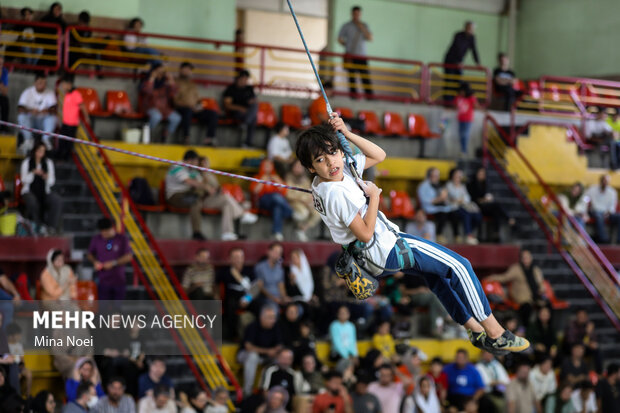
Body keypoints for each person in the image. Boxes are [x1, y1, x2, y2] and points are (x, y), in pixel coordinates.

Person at [296, 115, 529, 355]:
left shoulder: (330, 179)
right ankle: (495, 332)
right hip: (385, 248)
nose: (331, 162)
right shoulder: (335, 193)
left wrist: (346, 133)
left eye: (333, 153)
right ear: (312, 167)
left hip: (378, 254)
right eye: (321, 160)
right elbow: (365, 234)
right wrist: (374, 196)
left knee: (436, 277)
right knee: (460, 266)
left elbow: (379, 155)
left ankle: (474, 329)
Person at [198, 156, 257, 241]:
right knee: (226, 197)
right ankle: (242, 214)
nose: (205, 165)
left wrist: (219, 190)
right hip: (205, 200)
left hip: (215, 198)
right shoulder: (199, 175)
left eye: (206, 162)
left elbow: (216, 188)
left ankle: (227, 233)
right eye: (203, 163)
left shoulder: (211, 174)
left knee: (227, 206)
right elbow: (205, 190)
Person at [486, 248, 546, 325]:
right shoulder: (516, 269)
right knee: (527, 308)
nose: (526, 260)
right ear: (521, 259)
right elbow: (504, 277)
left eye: (528, 257)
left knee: (547, 306)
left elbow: (541, 282)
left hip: (535, 297)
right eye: (524, 258)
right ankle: (525, 328)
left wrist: (542, 288)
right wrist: (492, 277)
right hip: (522, 298)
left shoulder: (535, 270)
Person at [237, 304, 283, 396]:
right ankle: (247, 391)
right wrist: (268, 351)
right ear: (262, 317)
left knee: (281, 358)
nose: (273, 320)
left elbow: (280, 344)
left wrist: (275, 351)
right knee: (253, 356)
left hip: (265, 357)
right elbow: (248, 347)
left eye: (274, 317)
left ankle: (270, 391)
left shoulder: (275, 327)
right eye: (270, 318)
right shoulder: (253, 326)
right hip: (244, 355)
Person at [20, 141, 62, 234]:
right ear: (34, 151)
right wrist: (33, 173)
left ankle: (51, 227)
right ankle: (37, 226)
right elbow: (23, 180)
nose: (41, 153)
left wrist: (46, 177)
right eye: (39, 151)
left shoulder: (48, 163)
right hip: (29, 191)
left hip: (45, 191)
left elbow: (52, 182)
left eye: (43, 151)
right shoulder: (27, 162)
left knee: (56, 200)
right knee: (32, 201)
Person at [165, 150, 208, 240]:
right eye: (196, 161)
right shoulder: (177, 166)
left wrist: (204, 170)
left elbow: (201, 182)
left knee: (201, 193)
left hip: (187, 193)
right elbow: (189, 181)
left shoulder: (192, 168)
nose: (197, 163)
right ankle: (196, 232)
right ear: (189, 160)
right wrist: (206, 187)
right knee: (195, 202)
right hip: (175, 196)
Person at [87, 217, 132, 300]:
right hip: (103, 281)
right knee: (103, 310)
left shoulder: (122, 239)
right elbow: (89, 254)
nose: (105, 235)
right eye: (103, 232)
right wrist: (95, 262)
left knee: (116, 311)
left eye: (107, 232)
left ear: (112, 228)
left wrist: (114, 263)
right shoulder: (97, 239)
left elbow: (128, 256)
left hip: (118, 280)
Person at [174, 61, 218, 145]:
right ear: (180, 70)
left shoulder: (192, 84)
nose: (187, 71)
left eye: (189, 70)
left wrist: (199, 107)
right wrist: (190, 106)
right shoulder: (175, 82)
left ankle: (209, 139)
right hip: (182, 109)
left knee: (213, 114)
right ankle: (186, 138)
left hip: (193, 109)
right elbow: (175, 101)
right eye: (185, 69)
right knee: (187, 112)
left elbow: (199, 100)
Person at [217, 247, 257, 340]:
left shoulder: (249, 271)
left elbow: (255, 288)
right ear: (230, 259)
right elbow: (216, 285)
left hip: (247, 298)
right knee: (230, 307)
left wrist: (247, 299)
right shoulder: (224, 271)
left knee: (260, 306)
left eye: (240, 257)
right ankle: (233, 336)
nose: (238, 259)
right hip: (231, 299)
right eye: (235, 257)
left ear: (243, 258)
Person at [468, 167, 516, 241]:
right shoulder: (471, 184)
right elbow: (473, 199)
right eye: (480, 173)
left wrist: (488, 199)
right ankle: (508, 219)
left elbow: (487, 195)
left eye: (483, 174)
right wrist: (484, 200)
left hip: (486, 206)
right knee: (496, 205)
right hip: (476, 206)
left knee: (496, 212)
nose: (482, 175)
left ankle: (496, 234)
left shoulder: (485, 184)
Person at [250, 160, 293, 241]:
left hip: (275, 202)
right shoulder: (257, 177)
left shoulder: (275, 177)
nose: (267, 168)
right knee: (276, 196)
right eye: (265, 166)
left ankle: (277, 233)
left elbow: (285, 191)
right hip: (262, 201)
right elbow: (255, 192)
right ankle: (290, 211)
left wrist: (278, 181)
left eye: (269, 166)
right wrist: (262, 181)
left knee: (277, 208)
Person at [17, 72, 57, 154]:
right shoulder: (28, 92)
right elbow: (20, 108)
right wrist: (30, 111)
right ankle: (28, 140)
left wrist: (46, 110)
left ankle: (45, 140)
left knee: (53, 118)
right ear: (35, 83)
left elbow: (54, 109)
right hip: (31, 120)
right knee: (21, 117)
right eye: (40, 83)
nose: (42, 85)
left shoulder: (50, 92)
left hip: (43, 121)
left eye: (44, 83)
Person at [338, 6, 373, 99]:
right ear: (352, 14)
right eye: (355, 14)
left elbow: (370, 38)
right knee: (351, 77)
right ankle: (353, 96)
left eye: (358, 14)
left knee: (365, 77)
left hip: (362, 56)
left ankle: (370, 97)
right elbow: (339, 38)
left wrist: (362, 28)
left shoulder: (364, 25)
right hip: (351, 55)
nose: (356, 16)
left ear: (360, 14)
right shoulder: (346, 26)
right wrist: (346, 45)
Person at [140, 63, 181, 142]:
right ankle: (147, 134)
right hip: (150, 107)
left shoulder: (165, 84)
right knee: (156, 116)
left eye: (162, 72)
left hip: (164, 108)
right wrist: (152, 77)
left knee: (176, 118)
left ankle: (164, 135)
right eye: (158, 72)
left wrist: (171, 79)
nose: (160, 74)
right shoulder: (147, 81)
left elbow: (175, 92)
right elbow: (147, 91)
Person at [417, 167, 458, 244]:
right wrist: (439, 199)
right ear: (430, 176)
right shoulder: (423, 186)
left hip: (439, 207)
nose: (437, 178)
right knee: (443, 214)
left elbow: (444, 199)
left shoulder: (438, 185)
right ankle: (439, 234)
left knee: (454, 213)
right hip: (428, 208)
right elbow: (425, 200)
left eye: (437, 176)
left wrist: (446, 197)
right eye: (435, 176)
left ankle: (456, 235)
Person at [443, 21, 480, 103]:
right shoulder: (458, 35)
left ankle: (456, 101)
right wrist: (458, 61)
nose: (470, 30)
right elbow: (457, 48)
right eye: (468, 28)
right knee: (449, 81)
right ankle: (447, 102)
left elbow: (474, 50)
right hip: (450, 60)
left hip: (459, 62)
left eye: (472, 28)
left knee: (459, 82)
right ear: (465, 28)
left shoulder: (472, 38)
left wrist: (478, 63)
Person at [286, 160, 322, 241]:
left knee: (318, 212)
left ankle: (302, 229)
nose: (298, 168)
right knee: (303, 213)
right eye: (296, 166)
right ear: (292, 167)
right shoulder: (288, 177)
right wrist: (302, 199)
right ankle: (298, 227)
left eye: (300, 167)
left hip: (305, 202)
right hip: (293, 202)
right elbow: (288, 195)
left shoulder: (305, 179)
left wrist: (309, 201)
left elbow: (309, 192)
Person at [57, 73, 90, 160]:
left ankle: (66, 157)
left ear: (69, 84)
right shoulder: (67, 94)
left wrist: (86, 117)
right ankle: (60, 156)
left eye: (64, 84)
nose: (63, 86)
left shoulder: (76, 94)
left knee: (69, 143)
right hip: (65, 122)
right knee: (61, 141)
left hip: (72, 124)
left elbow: (82, 106)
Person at [445, 167, 482, 244]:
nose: (459, 177)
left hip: (463, 206)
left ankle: (469, 232)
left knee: (477, 215)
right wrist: (460, 199)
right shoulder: (449, 185)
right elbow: (452, 198)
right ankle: (468, 235)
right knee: (466, 214)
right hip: (453, 208)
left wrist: (460, 200)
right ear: (453, 176)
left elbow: (467, 198)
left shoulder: (462, 186)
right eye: (457, 175)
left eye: (460, 176)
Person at [222, 70, 258, 147]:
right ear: (238, 78)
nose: (244, 81)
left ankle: (245, 123)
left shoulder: (249, 89)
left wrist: (251, 102)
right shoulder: (231, 89)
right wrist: (240, 108)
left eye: (246, 79)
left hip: (247, 113)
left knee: (254, 108)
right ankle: (248, 142)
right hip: (236, 112)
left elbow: (253, 101)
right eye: (243, 79)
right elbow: (227, 105)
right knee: (253, 118)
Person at [584, 174, 620, 243]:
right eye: (604, 181)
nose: (605, 183)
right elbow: (585, 198)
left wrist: (608, 212)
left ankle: (619, 240)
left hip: (607, 213)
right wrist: (586, 205)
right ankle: (603, 239)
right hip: (594, 211)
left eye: (607, 182)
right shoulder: (592, 189)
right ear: (600, 181)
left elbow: (612, 206)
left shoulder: (612, 192)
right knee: (599, 216)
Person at [329, 305, 358, 373]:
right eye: (341, 313)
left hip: (349, 353)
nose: (342, 315)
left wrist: (355, 355)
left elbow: (353, 341)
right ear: (337, 314)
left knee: (359, 361)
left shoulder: (351, 326)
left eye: (344, 313)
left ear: (348, 314)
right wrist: (347, 356)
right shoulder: (334, 325)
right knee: (348, 362)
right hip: (337, 353)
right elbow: (337, 343)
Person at [0, 56, 9, 130]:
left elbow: (5, 92)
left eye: (2, 64)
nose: (0, 66)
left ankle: (3, 128)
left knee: (5, 101)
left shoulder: (4, 71)